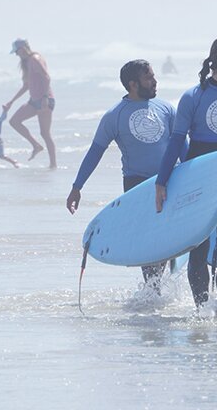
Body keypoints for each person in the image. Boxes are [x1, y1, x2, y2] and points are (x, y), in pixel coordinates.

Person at [155, 36, 217, 318]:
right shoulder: (192, 97)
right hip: (197, 176)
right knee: (199, 244)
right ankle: (201, 308)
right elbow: (175, 143)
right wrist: (161, 182)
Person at [67, 60, 175, 285]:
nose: (155, 82)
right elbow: (95, 152)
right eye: (149, 78)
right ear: (133, 84)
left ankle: (157, 285)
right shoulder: (114, 116)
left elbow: (180, 146)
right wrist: (77, 187)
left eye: (154, 76)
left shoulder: (166, 109)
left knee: (168, 235)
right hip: (138, 183)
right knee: (149, 238)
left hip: (170, 178)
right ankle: (152, 288)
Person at [3, 38, 57, 168]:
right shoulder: (27, 63)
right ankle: (36, 145)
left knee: (45, 133)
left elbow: (46, 77)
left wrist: (44, 97)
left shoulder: (35, 59)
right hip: (34, 101)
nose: (17, 54)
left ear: (23, 48)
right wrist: (11, 101)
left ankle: (53, 164)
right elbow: (26, 86)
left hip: (45, 100)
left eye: (17, 51)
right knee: (14, 121)